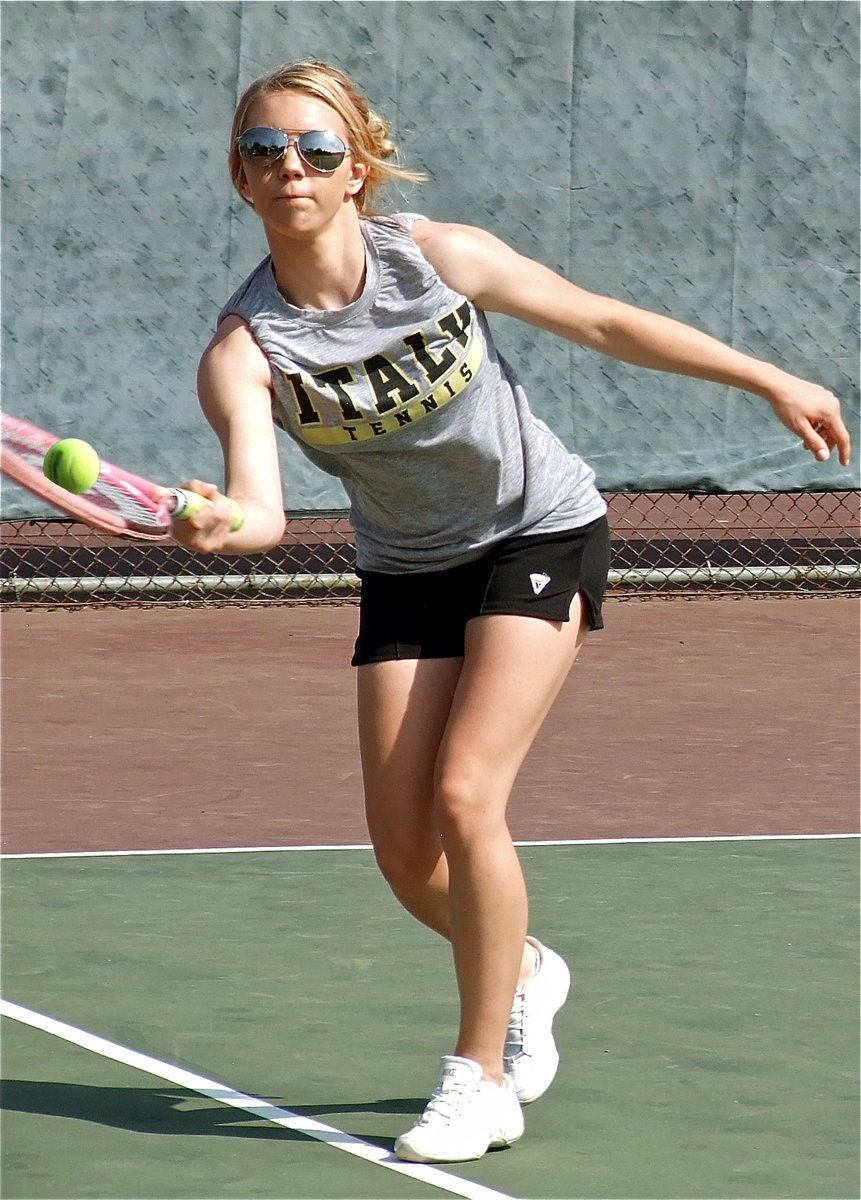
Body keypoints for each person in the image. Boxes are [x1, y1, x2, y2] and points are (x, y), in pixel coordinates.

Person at [172, 60, 851, 1164]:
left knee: (465, 791)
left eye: (316, 148)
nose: (289, 165)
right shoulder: (245, 352)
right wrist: (213, 526)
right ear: (240, 178)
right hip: (409, 567)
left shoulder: (440, 259)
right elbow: (256, 508)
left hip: (537, 530)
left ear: (359, 171)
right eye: (263, 149)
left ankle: (478, 1076)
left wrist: (766, 378)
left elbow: (604, 319)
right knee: (402, 852)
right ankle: (525, 967)